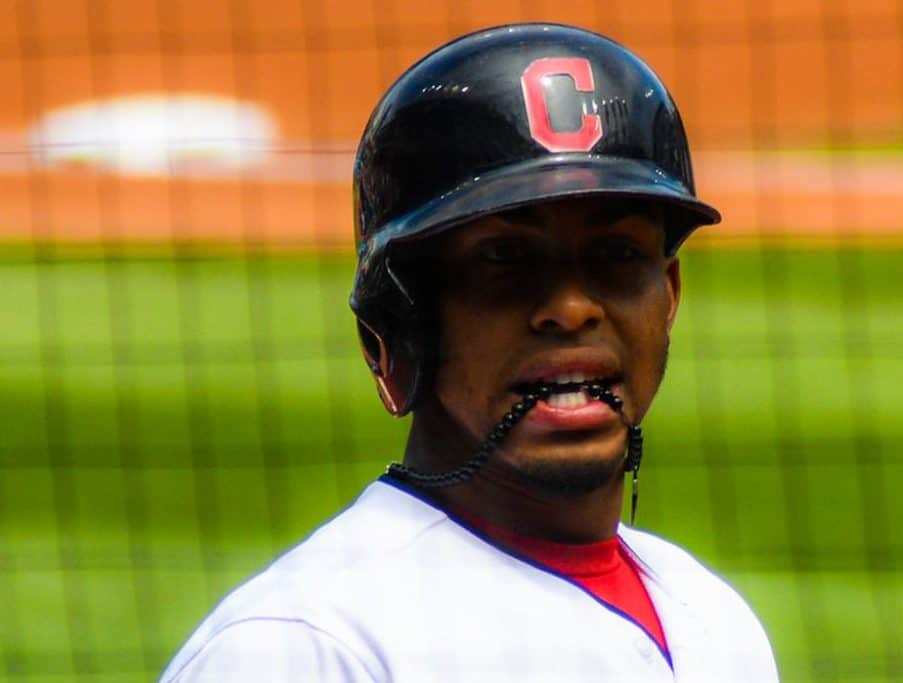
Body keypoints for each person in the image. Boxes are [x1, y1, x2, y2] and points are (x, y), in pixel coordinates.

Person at [160, 22, 778, 682]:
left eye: (617, 255)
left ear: (670, 297)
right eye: (506, 259)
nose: (572, 309)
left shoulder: (714, 621)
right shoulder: (306, 646)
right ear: (400, 323)